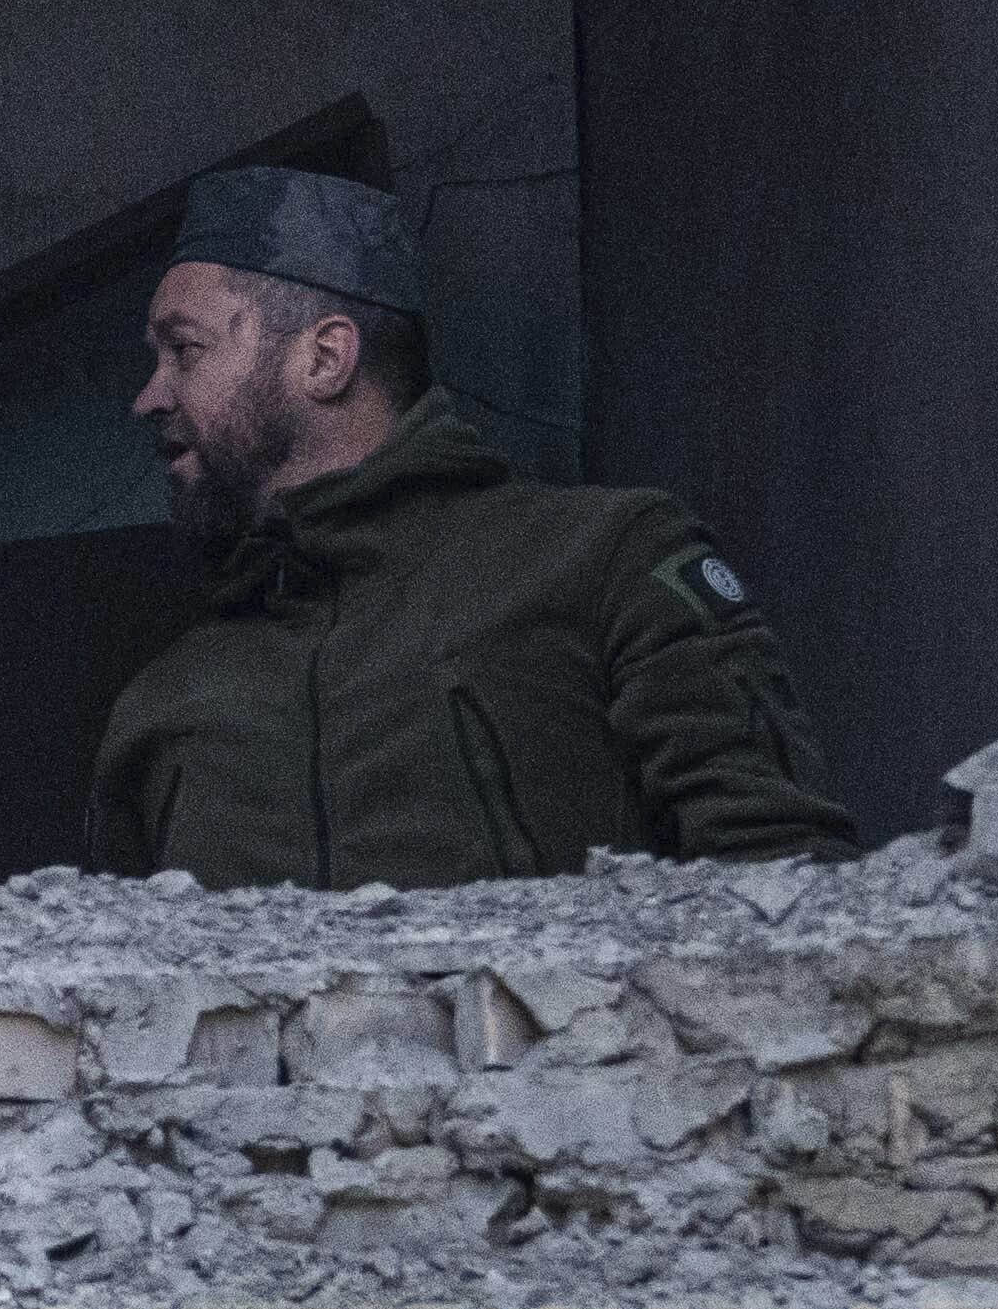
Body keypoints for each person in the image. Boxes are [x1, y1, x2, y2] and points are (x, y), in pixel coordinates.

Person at [90, 161, 853, 886]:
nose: (149, 396)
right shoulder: (164, 699)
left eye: (183, 351)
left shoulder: (605, 560)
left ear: (325, 358)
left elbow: (781, 880)